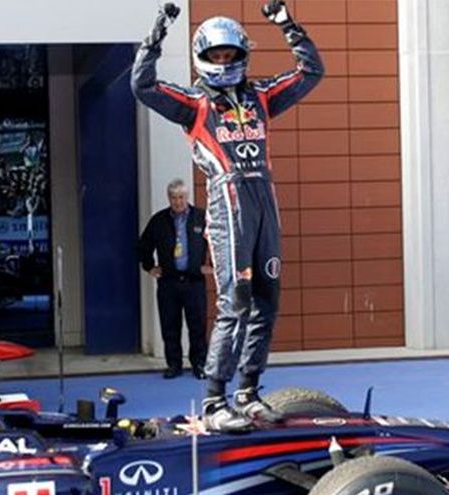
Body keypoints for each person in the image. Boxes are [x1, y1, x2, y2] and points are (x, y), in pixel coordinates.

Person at [131, 0, 324, 431]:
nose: (222, 62)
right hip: (227, 197)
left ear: (241, 55)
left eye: (229, 54)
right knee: (234, 301)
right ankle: (215, 401)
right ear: (202, 57)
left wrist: (286, 23)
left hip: (265, 197)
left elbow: (312, 71)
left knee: (267, 300)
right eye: (215, 55)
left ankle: (248, 392)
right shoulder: (193, 101)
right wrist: (158, 30)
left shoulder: (261, 96)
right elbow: (142, 85)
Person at [138, 179, 209, 380]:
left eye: (181, 197)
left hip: (194, 282)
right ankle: (174, 365)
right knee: (170, 326)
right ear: (169, 198)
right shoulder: (159, 220)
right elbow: (143, 246)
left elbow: (218, 242)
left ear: (187, 197)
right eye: (174, 198)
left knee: (197, 326)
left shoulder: (201, 218)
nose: (178, 202)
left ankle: (199, 364)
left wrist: (212, 265)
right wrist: (149, 267)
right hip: (169, 282)